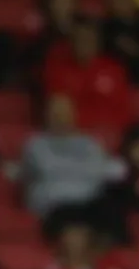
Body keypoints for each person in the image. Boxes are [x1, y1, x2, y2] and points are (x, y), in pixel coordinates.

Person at [21, 94, 119, 228]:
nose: (61, 118)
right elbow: (33, 178)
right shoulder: (35, 145)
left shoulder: (91, 143)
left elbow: (103, 172)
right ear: (46, 115)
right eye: (56, 113)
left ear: (74, 114)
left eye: (65, 112)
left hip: (92, 205)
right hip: (55, 206)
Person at [43, 17, 133, 142]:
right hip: (73, 139)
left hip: (111, 138)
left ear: (97, 42)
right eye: (80, 39)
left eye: (89, 39)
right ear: (71, 42)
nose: (85, 43)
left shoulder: (114, 69)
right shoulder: (57, 70)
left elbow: (124, 111)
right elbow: (57, 114)